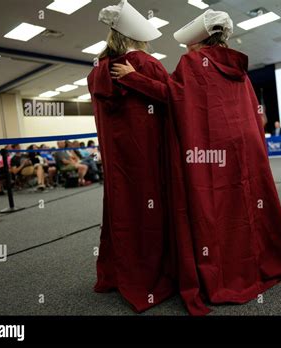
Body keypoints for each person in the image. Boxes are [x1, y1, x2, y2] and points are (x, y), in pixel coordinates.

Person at [111, 9, 281, 315]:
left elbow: (173, 96)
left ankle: (230, 271)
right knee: (249, 202)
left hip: (212, 148)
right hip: (245, 147)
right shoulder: (237, 65)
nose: (185, 48)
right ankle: (266, 258)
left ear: (198, 41)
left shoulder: (193, 62)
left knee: (217, 208)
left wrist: (134, 79)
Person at [88, 0, 174, 313]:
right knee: (152, 213)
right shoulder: (145, 63)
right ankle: (153, 274)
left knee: (122, 213)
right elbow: (173, 97)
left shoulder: (96, 71)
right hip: (149, 157)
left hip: (117, 162)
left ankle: (118, 274)